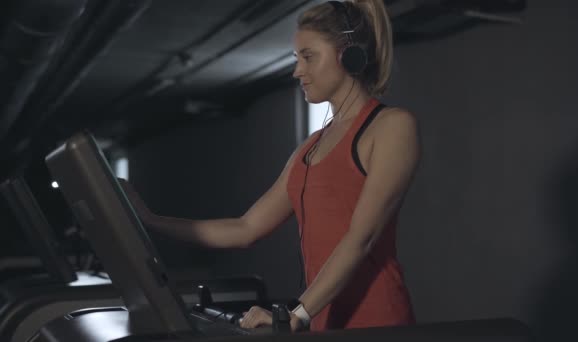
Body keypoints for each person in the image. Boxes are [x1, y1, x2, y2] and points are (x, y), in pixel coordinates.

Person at [121, 0, 419, 333]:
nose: (297, 71)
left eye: (308, 57)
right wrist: (149, 220)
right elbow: (245, 228)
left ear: (348, 55)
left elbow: (360, 238)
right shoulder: (309, 148)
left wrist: (296, 313)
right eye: (296, 59)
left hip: (380, 325)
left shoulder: (392, 127)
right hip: (324, 322)